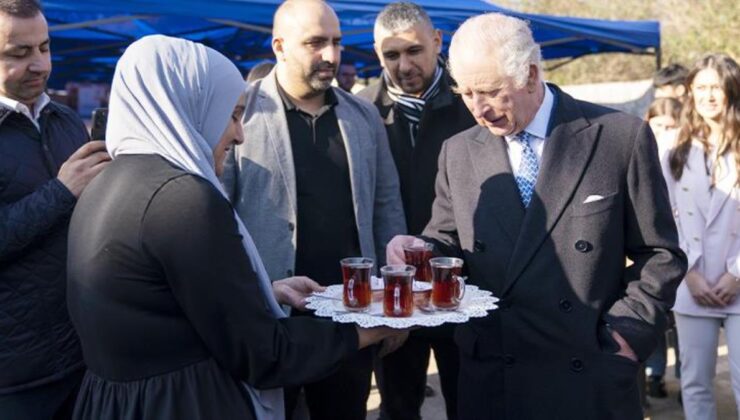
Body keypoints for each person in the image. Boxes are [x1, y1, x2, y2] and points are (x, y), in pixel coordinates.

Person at [66, 34, 403, 420]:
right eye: (231, 115)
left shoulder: (107, 183)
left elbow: (159, 305)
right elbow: (263, 353)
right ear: (191, 109)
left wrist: (261, 291)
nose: (239, 135)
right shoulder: (184, 199)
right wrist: (368, 327)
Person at [387, 13, 687, 419]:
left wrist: (626, 336)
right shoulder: (457, 151)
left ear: (530, 75)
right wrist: (418, 249)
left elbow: (660, 255)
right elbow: (447, 239)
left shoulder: (618, 136)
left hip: (589, 375)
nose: (478, 109)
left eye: (491, 91)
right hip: (495, 378)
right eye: (467, 92)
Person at [221, 2, 406, 419]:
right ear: (280, 46)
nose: (332, 56)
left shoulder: (363, 117)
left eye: (337, 42)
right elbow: (218, 218)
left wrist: (394, 304)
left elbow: (386, 209)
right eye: (316, 43)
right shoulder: (240, 114)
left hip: (350, 322)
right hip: (271, 320)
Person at [357, 3, 475, 419]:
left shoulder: (473, 106)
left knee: (470, 399)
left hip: (463, 283)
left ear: (437, 42)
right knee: (399, 404)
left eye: (414, 51)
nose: (404, 65)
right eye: (392, 55)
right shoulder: (361, 114)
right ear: (376, 54)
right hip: (392, 290)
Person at [0, 1, 109, 418]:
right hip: (15, 378)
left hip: (81, 355)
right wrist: (62, 191)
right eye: (19, 53)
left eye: (44, 48)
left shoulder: (64, 120)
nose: (39, 64)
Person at [658, 53, 740, 420]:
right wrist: (687, 272)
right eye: (701, 87)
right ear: (690, 91)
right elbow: (662, 218)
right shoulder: (674, 147)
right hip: (692, 284)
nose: (709, 96)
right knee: (694, 383)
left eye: (716, 88)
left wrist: (735, 274)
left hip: (736, 281)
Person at [643, 95, 683, 400]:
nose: (664, 132)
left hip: (683, 254)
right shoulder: (637, 154)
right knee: (654, 322)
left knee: (680, 328)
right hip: (648, 256)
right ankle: (654, 375)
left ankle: (683, 373)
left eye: (671, 126)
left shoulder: (683, 159)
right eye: (658, 125)